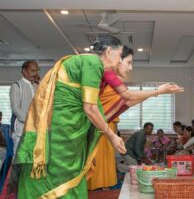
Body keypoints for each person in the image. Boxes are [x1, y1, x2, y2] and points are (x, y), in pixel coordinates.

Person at [14, 34, 127, 199]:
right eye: (119, 56)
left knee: (52, 176)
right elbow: (90, 108)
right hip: (63, 134)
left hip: (60, 128)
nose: (119, 61)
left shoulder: (80, 60)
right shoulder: (93, 63)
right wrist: (111, 136)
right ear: (109, 52)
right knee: (62, 175)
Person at [88, 46, 183, 190]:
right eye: (129, 62)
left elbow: (128, 102)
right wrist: (158, 91)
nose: (130, 68)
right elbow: (128, 97)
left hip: (102, 128)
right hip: (95, 126)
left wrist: (157, 93)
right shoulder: (104, 75)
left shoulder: (109, 78)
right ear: (117, 58)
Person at [9, 60, 39, 154]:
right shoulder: (16, 86)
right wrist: (29, 121)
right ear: (24, 71)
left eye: (37, 71)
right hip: (21, 129)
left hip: (35, 129)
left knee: (33, 158)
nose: (35, 73)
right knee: (20, 159)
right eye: (33, 70)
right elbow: (15, 108)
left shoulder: (36, 86)